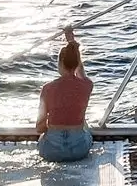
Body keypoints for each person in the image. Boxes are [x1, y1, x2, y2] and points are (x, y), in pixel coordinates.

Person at [35, 27, 93, 163]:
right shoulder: (87, 86)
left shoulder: (47, 88)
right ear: (76, 63)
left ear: (60, 63)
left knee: (43, 136)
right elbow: (81, 75)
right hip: (79, 150)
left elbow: (39, 127)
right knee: (86, 126)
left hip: (51, 151)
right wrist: (72, 43)